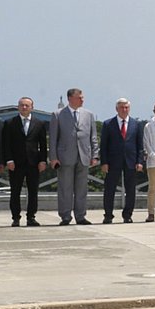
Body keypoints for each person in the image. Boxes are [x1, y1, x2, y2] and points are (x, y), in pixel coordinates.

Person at [49, 88, 99, 225]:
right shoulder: (57, 114)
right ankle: (65, 216)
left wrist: (95, 155)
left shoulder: (88, 114)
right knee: (65, 188)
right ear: (70, 98)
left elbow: (93, 136)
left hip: (84, 156)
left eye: (83, 97)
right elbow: (53, 138)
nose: (82, 100)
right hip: (65, 157)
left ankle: (81, 216)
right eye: (80, 97)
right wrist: (53, 157)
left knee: (82, 188)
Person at [3, 97, 48, 226]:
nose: (24, 107)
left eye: (27, 106)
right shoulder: (10, 123)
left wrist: (43, 161)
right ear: (18, 107)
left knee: (33, 191)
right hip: (16, 163)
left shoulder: (39, 123)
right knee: (15, 191)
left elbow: (43, 145)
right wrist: (9, 160)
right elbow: (6, 144)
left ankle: (31, 217)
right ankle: (15, 217)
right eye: (22, 105)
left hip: (33, 163)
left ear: (32, 108)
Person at [100, 98, 144, 224]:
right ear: (116, 109)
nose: (124, 110)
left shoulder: (136, 124)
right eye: (121, 107)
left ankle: (127, 214)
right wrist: (104, 162)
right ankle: (108, 215)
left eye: (126, 107)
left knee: (130, 190)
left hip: (131, 161)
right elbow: (104, 145)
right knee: (109, 189)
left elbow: (139, 145)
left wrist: (139, 161)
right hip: (113, 161)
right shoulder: (108, 124)